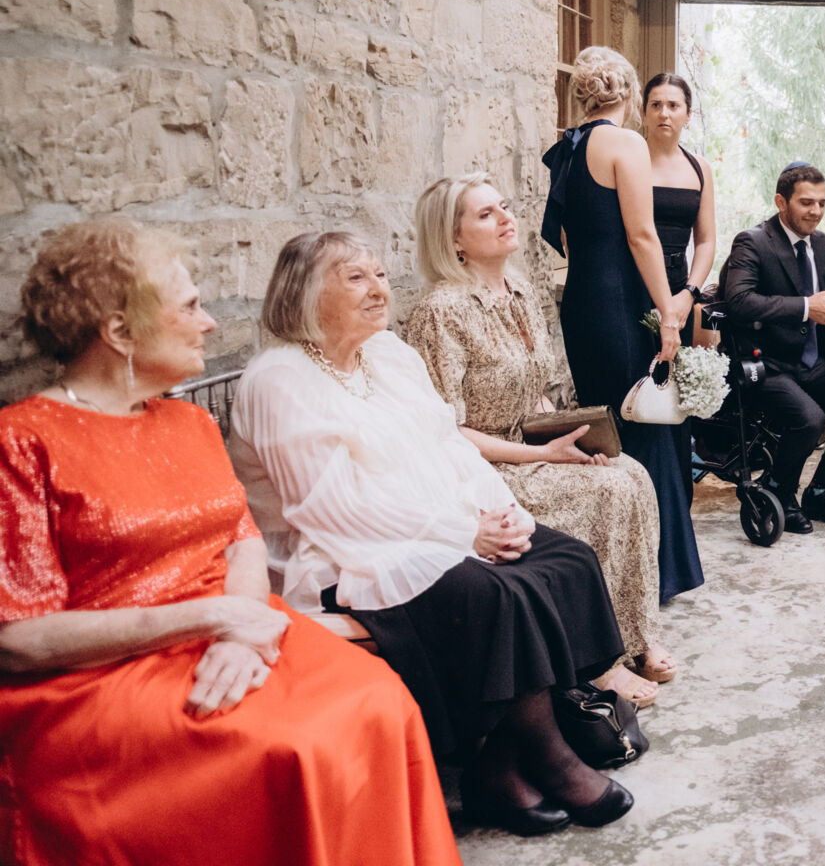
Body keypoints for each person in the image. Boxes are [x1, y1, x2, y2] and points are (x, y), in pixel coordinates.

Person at [0, 220, 460, 866]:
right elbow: (18, 639)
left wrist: (242, 633)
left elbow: (242, 542)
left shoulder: (188, 421)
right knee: (294, 744)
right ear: (121, 332)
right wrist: (214, 618)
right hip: (100, 673)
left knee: (381, 701)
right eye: (190, 307)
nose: (211, 323)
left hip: (234, 628)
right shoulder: (23, 440)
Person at [230, 230, 634, 836]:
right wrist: (463, 534)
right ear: (304, 292)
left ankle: (499, 764)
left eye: (380, 274)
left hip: (439, 523)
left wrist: (502, 511)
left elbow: (449, 446)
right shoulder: (279, 380)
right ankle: (550, 757)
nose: (378, 288)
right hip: (344, 552)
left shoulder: (388, 354)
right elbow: (330, 509)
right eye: (356, 277)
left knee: (566, 560)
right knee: (499, 594)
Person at [405, 172, 676, 709]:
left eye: (504, 206)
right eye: (485, 214)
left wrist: (569, 438)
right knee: (607, 493)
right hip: (482, 466)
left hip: (532, 446)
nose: (506, 218)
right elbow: (445, 432)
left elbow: (536, 393)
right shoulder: (440, 312)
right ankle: (598, 661)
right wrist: (542, 454)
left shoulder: (522, 291)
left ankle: (635, 635)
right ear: (453, 239)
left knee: (630, 473)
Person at [541, 48, 706, 604]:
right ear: (631, 95)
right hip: (620, 304)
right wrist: (668, 315)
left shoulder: (569, 147)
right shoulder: (625, 144)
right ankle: (656, 574)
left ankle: (612, 569)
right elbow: (642, 235)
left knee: (607, 431)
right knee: (646, 426)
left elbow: (570, 238)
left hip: (583, 305)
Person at [719, 163, 825, 533]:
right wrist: (808, 307)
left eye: (822, 203)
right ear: (781, 202)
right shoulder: (752, 242)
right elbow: (739, 302)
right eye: (807, 203)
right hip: (763, 362)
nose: (816, 211)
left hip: (812, 361)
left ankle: (823, 492)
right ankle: (779, 489)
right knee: (810, 419)